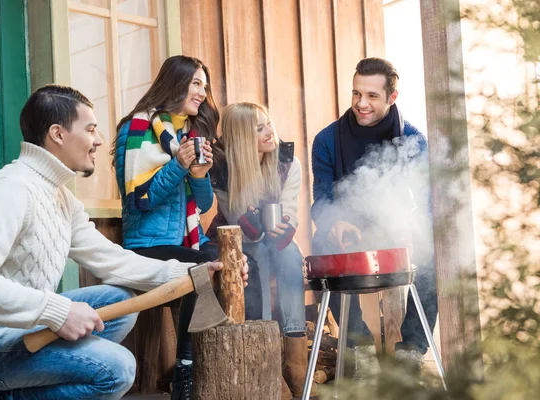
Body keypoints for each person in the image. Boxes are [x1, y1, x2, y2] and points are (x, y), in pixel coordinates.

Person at [0, 84, 248, 400]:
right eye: (90, 130)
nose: (99, 140)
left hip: (12, 331)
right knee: (117, 369)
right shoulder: (10, 190)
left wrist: (194, 275)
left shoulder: (60, 198)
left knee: (119, 303)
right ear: (57, 134)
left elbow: (111, 259)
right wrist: (56, 311)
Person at [311, 57, 437, 379]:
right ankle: (361, 349)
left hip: (393, 233)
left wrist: (414, 230)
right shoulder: (326, 141)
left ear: (392, 97)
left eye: (372, 96)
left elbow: (427, 206)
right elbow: (321, 203)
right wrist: (333, 222)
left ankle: (411, 352)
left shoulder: (413, 141)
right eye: (356, 94)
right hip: (347, 236)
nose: (361, 104)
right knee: (321, 242)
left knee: (435, 253)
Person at [112, 55, 222, 400]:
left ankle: (212, 366)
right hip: (146, 244)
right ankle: (186, 375)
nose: (203, 93)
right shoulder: (137, 129)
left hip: (185, 239)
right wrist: (179, 165)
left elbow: (202, 205)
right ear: (175, 83)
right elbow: (139, 200)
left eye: (205, 85)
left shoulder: (188, 134)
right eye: (196, 84)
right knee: (198, 268)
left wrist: (199, 175)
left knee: (226, 260)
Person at [207, 102, 316, 399]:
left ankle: (296, 361)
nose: (271, 132)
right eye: (259, 128)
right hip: (236, 243)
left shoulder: (286, 160)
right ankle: (265, 355)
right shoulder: (222, 169)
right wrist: (254, 221)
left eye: (268, 123)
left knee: (291, 253)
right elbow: (235, 219)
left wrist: (285, 226)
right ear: (241, 137)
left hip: (275, 241)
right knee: (260, 257)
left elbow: (291, 209)